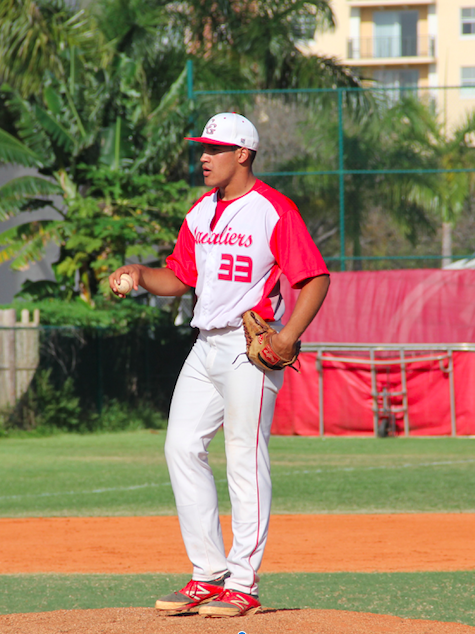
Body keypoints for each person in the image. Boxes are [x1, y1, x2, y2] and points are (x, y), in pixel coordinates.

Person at [109, 112, 330, 618]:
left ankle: (244, 582)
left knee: (244, 458)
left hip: (249, 347)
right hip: (205, 345)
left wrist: (289, 335)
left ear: (243, 154)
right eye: (201, 149)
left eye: (213, 149)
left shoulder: (273, 210)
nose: (203, 157)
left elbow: (314, 278)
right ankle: (208, 574)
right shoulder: (200, 212)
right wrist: (142, 273)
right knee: (181, 446)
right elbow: (180, 276)